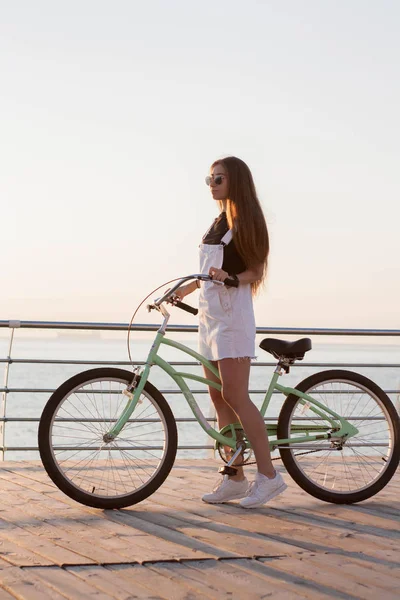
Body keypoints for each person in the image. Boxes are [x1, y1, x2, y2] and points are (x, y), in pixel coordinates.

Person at [175, 156, 287, 508]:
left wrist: (234, 279)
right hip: (208, 319)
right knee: (218, 398)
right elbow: (208, 271)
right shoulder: (218, 221)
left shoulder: (247, 222)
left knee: (237, 397)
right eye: (209, 178)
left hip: (233, 319)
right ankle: (235, 476)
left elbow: (255, 270)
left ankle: (268, 476)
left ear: (235, 180)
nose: (212, 184)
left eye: (218, 178)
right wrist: (184, 289)